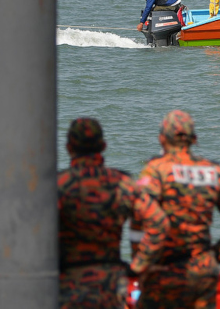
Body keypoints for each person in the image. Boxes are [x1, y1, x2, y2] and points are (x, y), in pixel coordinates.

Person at [133, 110, 220, 309]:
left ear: (162, 139)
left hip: (164, 272)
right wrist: (217, 255)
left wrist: (140, 263)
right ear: (194, 139)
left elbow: (141, 217)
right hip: (203, 272)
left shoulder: (155, 172)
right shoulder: (215, 172)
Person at [57, 118, 170, 309]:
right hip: (110, 284)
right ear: (103, 146)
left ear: (69, 147)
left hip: (69, 284)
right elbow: (159, 222)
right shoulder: (122, 183)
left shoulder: (58, 185)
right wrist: (138, 266)